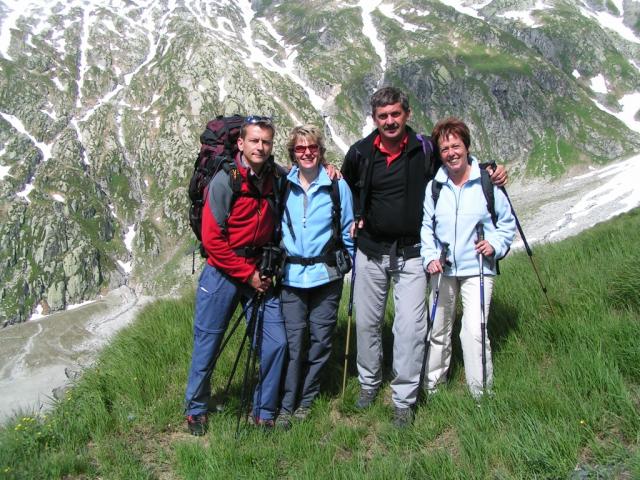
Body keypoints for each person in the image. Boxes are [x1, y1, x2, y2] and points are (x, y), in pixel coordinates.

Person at [341, 87, 507, 427]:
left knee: (410, 329)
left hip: (413, 253)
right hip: (370, 250)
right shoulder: (359, 152)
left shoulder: (425, 149)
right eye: (383, 116)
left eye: (395, 114)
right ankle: (369, 384)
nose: (390, 121)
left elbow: (456, 162)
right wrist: (351, 214)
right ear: (374, 119)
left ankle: (404, 399)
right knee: (368, 324)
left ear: (407, 114)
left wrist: (491, 169)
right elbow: (344, 187)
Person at [184, 116, 287, 435]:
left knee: (276, 343)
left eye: (266, 142)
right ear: (240, 144)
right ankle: (196, 409)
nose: (260, 147)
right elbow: (212, 241)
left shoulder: (275, 176)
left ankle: (264, 411)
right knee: (208, 342)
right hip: (222, 272)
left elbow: (303, 174)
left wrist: (327, 167)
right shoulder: (224, 180)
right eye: (254, 141)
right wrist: (248, 275)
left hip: (259, 271)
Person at [421, 117, 516, 398]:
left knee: (474, 331)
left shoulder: (487, 182)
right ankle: (433, 388)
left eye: (456, 146)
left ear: (467, 147)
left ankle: (480, 393)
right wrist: (430, 257)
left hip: (478, 267)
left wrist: (494, 244)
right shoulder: (434, 187)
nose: (451, 153)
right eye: (445, 148)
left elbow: (506, 223)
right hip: (443, 268)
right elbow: (426, 227)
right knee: (438, 329)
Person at [277, 125, 355, 427]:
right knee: (294, 343)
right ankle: (287, 404)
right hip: (291, 276)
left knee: (321, 341)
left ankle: (306, 401)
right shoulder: (283, 184)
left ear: (321, 151)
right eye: (300, 148)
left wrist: (349, 262)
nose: (307, 153)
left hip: (326, 276)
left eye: (312, 147)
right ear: (293, 153)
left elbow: (347, 228)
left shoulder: (337, 185)